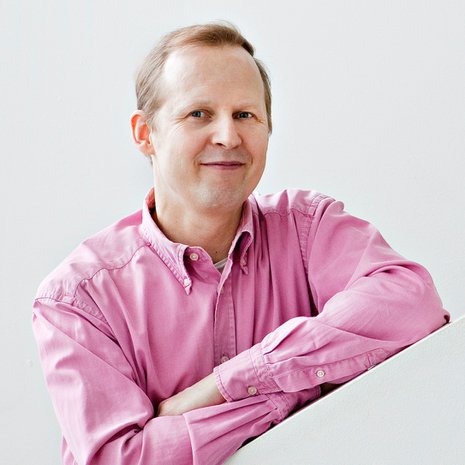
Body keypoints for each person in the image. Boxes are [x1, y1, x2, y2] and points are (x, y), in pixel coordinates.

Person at [32, 22, 449, 465]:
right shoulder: (78, 299)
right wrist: (291, 393)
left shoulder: (309, 228)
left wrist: (224, 385)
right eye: (199, 114)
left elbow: (413, 305)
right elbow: (123, 460)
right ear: (144, 134)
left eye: (245, 115)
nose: (228, 137)